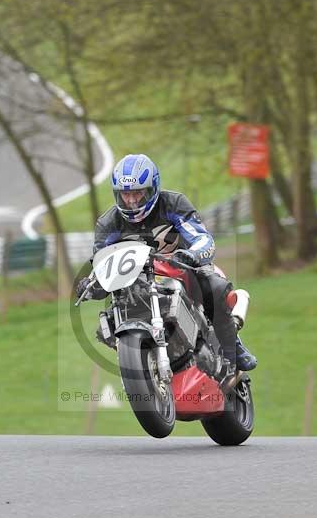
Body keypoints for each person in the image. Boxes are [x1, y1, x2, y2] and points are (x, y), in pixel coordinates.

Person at [76, 153, 257, 373]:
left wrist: (193, 255)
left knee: (215, 287)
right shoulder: (108, 223)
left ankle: (233, 350)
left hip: (181, 268)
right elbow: (102, 263)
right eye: (126, 195)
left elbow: (201, 237)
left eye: (137, 194)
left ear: (152, 189)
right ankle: (140, 366)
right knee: (107, 323)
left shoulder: (173, 203)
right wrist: (91, 285)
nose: (131, 201)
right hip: (135, 282)